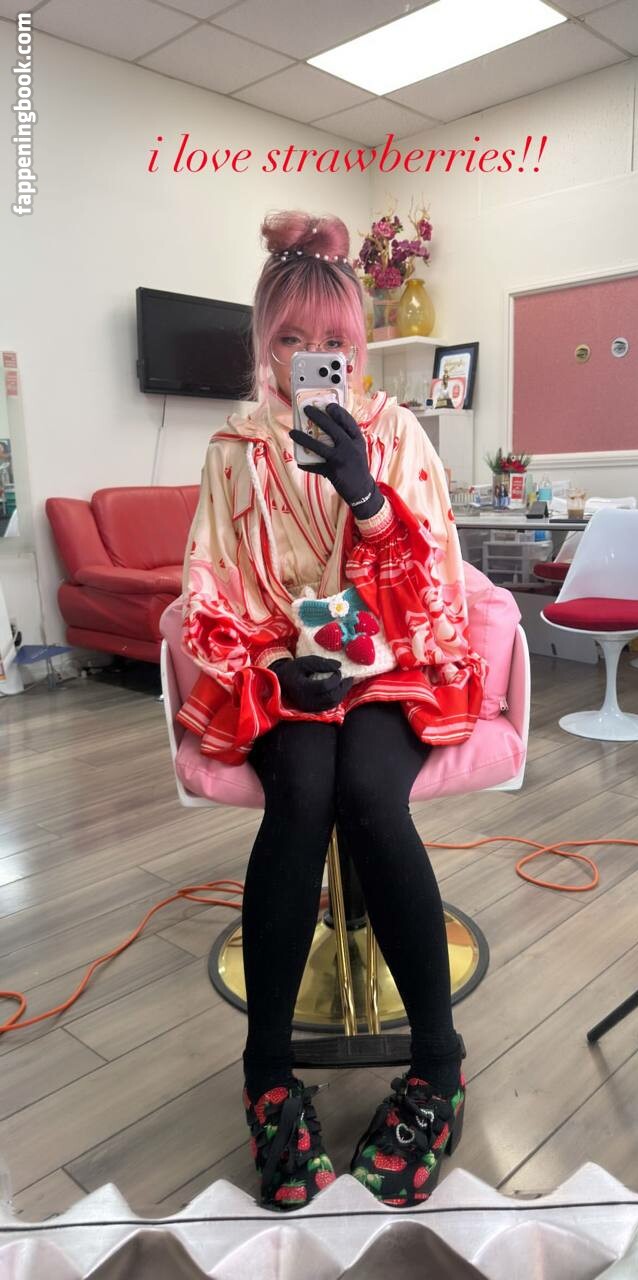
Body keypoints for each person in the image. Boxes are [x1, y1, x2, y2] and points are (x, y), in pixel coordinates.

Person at [177, 210, 488, 1212]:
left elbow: (432, 588)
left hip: (395, 658)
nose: (315, 359)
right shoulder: (233, 450)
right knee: (302, 792)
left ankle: (437, 1066)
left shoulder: (397, 436)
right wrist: (274, 670)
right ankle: (268, 1074)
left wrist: (364, 495)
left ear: (359, 349)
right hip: (285, 663)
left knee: (370, 796)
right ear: (263, 344)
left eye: (336, 342)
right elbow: (212, 587)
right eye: (291, 339)